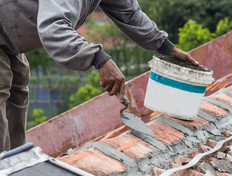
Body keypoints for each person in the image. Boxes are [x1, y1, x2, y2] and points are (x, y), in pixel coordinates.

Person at [0, 0, 199, 152]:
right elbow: (54, 29)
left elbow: (130, 14)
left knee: (17, 86)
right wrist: (99, 59)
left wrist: (166, 48)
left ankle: (16, 164)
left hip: (8, 38)